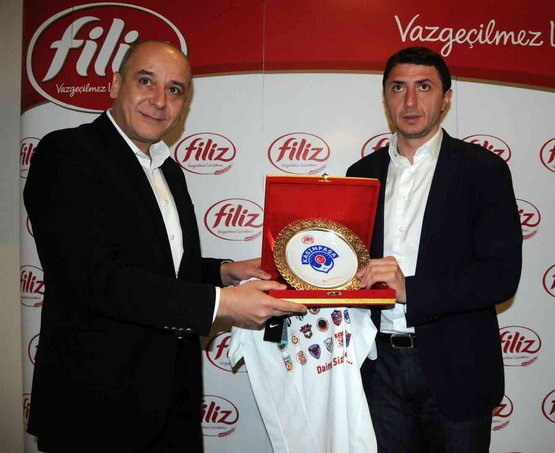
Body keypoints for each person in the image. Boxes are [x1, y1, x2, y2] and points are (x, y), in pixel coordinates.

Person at [24, 40, 306, 452]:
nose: (160, 101)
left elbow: (164, 267)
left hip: (173, 397)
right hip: (97, 405)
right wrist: (222, 303)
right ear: (115, 84)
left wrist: (224, 272)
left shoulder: (168, 169)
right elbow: (96, 278)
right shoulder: (68, 152)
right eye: (146, 81)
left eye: (175, 90)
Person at [346, 46, 522, 452]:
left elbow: (500, 276)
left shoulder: (484, 170)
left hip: (457, 369)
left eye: (424, 87)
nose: (410, 101)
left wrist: (409, 289)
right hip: (377, 369)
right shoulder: (360, 175)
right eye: (398, 88)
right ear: (385, 97)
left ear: (446, 99)